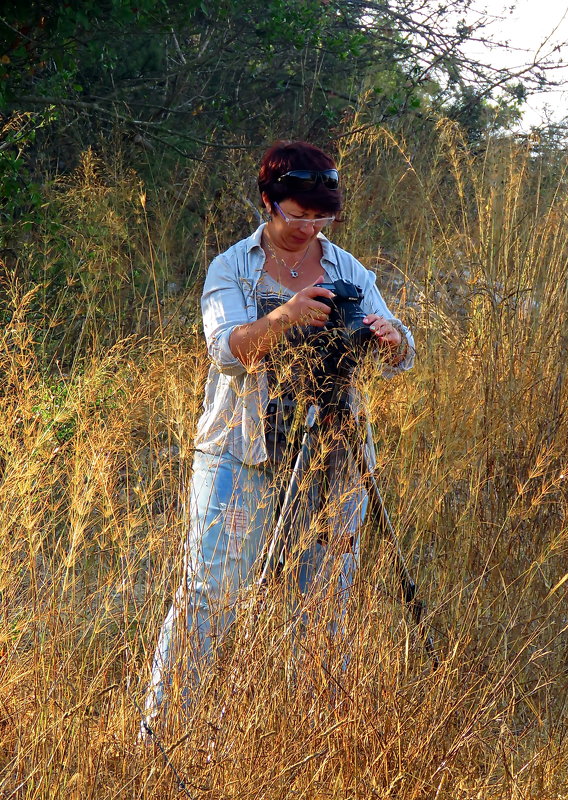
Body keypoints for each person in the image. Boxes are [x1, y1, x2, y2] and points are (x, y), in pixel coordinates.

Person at [144, 140, 415, 726]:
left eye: (321, 217)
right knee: (209, 593)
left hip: (333, 450)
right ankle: (164, 731)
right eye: (297, 214)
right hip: (242, 450)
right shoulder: (232, 266)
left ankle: (305, 737)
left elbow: (402, 348)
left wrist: (391, 338)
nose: (309, 227)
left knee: (323, 605)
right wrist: (285, 316)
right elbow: (227, 351)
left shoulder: (349, 271)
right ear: (269, 202)